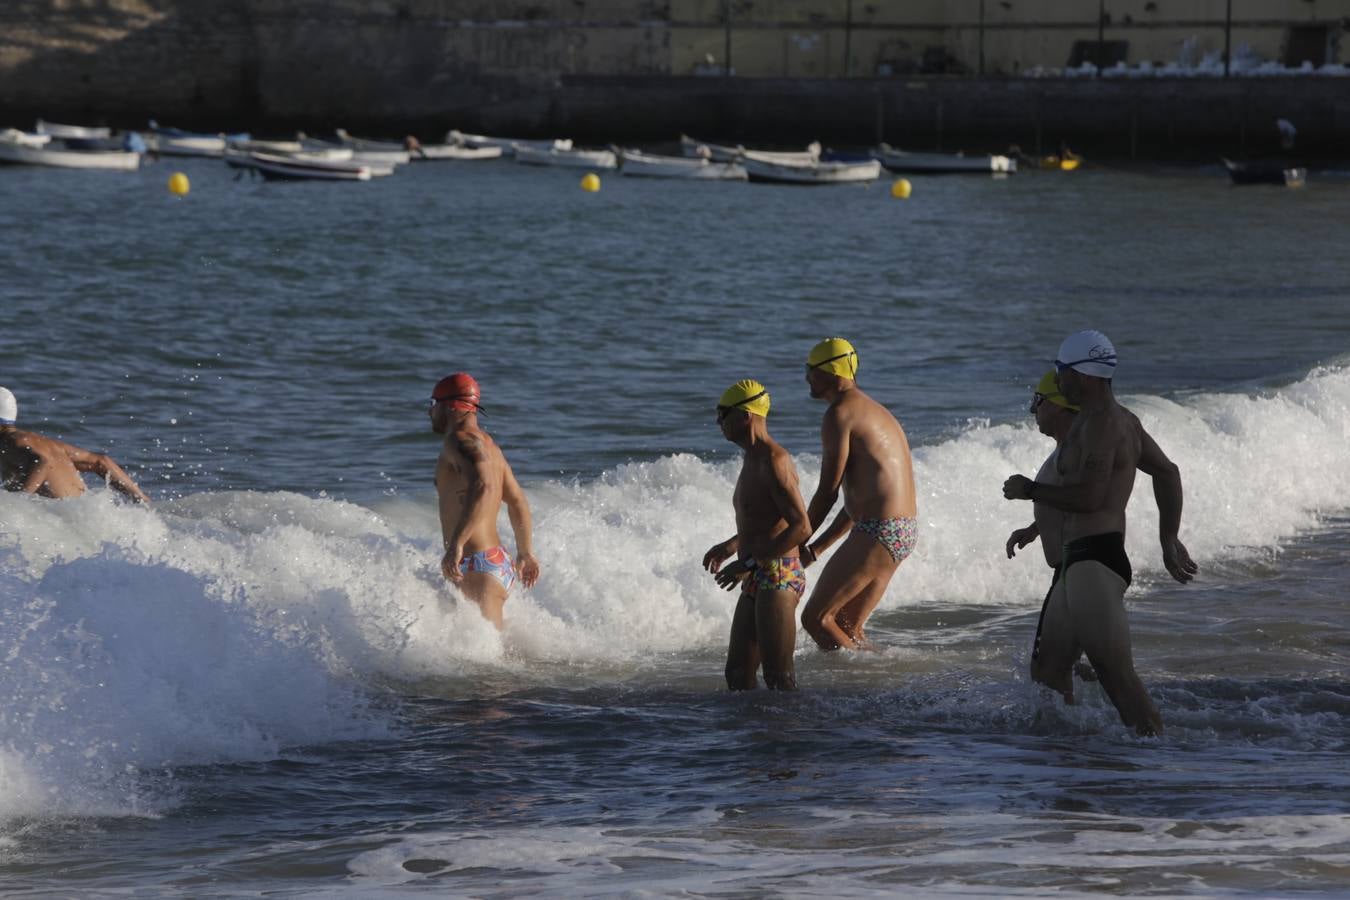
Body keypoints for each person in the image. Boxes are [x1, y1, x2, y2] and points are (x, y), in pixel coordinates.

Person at [1002, 332, 1196, 736]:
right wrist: (1168, 537)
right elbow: (1166, 472)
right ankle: (1074, 758)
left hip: (1094, 559)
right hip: (1077, 561)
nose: (1060, 379)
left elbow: (1091, 498)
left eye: (1062, 371)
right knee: (1048, 671)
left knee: (1116, 677)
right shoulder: (1104, 421)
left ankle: (1159, 763)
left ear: (1084, 376)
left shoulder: (1105, 424)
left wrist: (1030, 490)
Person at [796, 338, 918, 651]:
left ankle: (854, 687)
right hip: (901, 529)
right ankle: (875, 681)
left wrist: (794, 542)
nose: (806, 376)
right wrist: (817, 548)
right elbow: (860, 499)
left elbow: (828, 492)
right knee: (846, 627)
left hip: (879, 530)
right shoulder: (873, 409)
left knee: (816, 618)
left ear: (832, 373)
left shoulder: (840, 414)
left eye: (811, 369)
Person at [701, 380, 812, 690]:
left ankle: (793, 735)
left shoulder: (774, 460)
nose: (718, 422)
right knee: (737, 674)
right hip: (758, 571)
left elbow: (802, 526)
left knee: (779, 677)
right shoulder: (751, 458)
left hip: (777, 573)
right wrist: (732, 545)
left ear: (746, 414)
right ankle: (753, 737)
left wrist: (748, 563)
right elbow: (765, 519)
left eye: (723, 414)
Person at [429, 373, 540, 629]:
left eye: (432, 402)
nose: (429, 411)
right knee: (487, 655)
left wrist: (457, 544)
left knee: (487, 668)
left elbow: (484, 486)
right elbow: (518, 501)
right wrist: (525, 552)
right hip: (495, 561)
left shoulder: (458, 441)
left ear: (449, 406)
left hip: (476, 564)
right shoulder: (491, 447)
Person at [0, 386, 149, 503]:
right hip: (85, 516)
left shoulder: (9, 442)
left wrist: (17, 502)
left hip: (66, 522)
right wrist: (142, 501)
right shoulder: (50, 444)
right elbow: (101, 462)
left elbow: (42, 461)